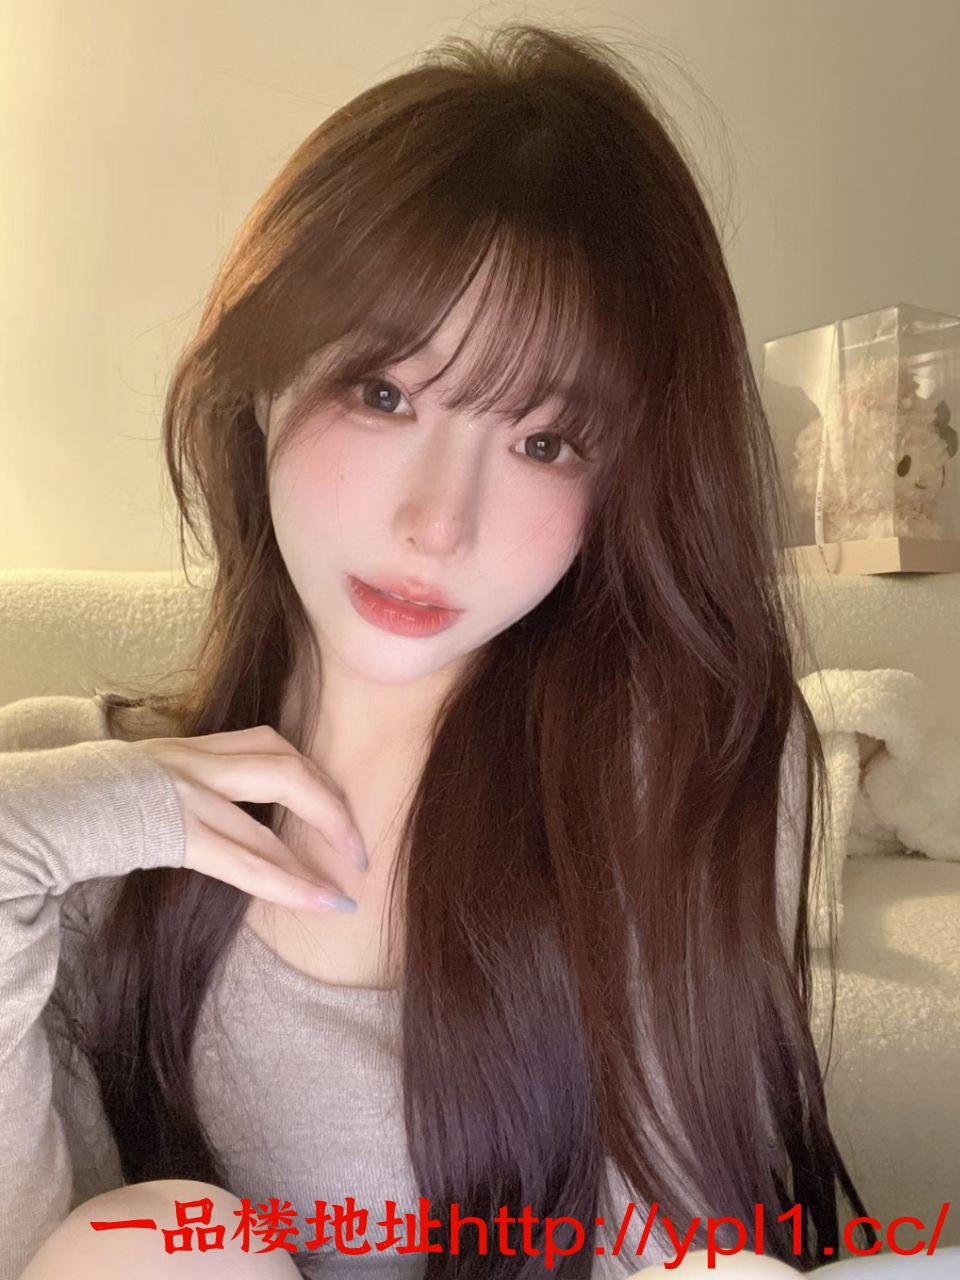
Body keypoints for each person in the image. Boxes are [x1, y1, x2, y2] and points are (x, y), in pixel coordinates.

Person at [1, 20, 876, 1280]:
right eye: (385, 392)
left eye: (543, 441)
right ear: (260, 379)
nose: (439, 523)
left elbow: (676, 1245)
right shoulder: (67, 813)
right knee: (153, 1246)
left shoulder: (674, 765)